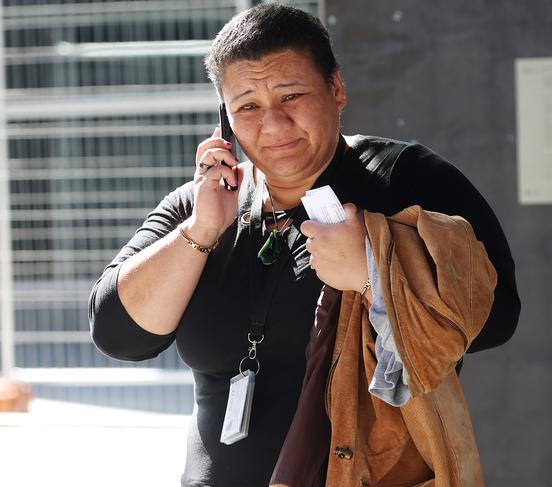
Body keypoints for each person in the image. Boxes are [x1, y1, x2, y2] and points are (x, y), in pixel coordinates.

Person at [88, 4, 520, 486]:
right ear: (224, 119)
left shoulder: (405, 180)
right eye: (247, 106)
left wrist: (372, 272)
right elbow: (117, 334)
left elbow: (497, 316)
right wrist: (202, 232)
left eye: (291, 95)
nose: (273, 123)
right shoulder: (205, 202)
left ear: (336, 89)